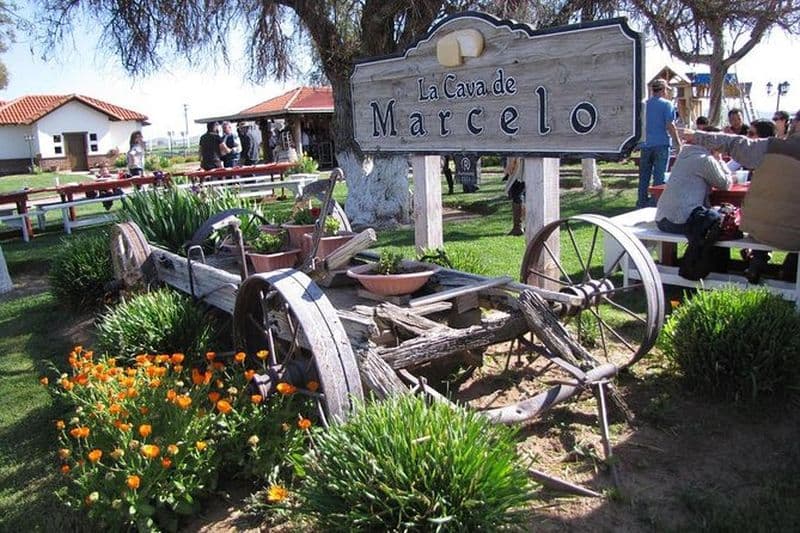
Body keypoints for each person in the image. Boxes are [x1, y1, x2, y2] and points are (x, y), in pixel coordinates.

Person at [678, 109, 800, 279]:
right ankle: (787, 272)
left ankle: (758, 265)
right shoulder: (773, 145)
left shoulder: (771, 147)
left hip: (756, 227)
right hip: (793, 235)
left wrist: (697, 136)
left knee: (764, 221)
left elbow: (733, 142)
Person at [637, 78, 682, 208]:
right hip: (661, 143)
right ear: (663, 90)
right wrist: (677, 142)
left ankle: (641, 202)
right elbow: (670, 124)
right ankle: (657, 203)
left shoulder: (644, 105)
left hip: (645, 144)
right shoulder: (667, 105)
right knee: (659, 175)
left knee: (644, 176)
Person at [504, 157, 525, 235]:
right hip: (522, 164)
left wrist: (511, 162)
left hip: (520, 167)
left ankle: (518, 227)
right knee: (518, 195)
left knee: (517, 195)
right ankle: (519, 226)